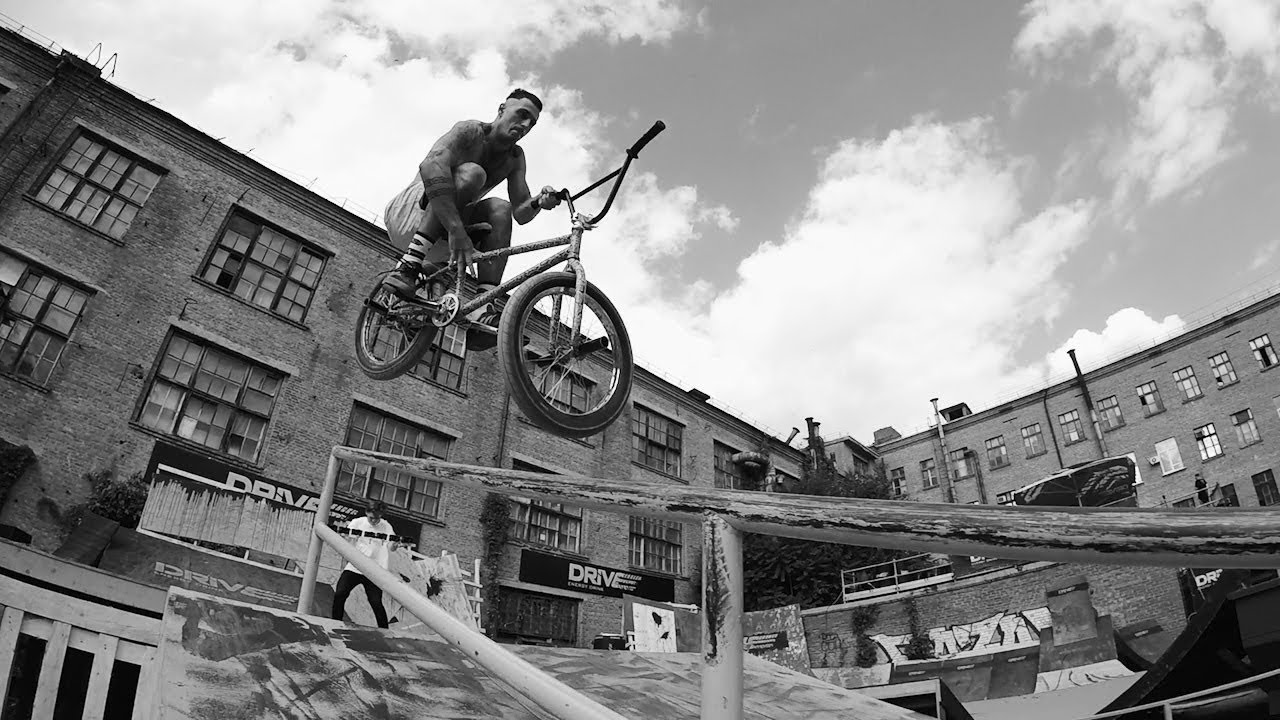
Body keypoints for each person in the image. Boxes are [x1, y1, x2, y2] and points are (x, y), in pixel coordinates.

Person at [382, 88, 562, 351]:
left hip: (447, 231)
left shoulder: (514, 157)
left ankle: (483, 309)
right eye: (521, 115)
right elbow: (430, 166)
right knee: (473, 173)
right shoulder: (470, 131)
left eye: (532, 123)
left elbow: (521, 212)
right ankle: (407, 267)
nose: (525, 125)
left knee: (500, 208)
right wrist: (457, 230)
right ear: (502, 110)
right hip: (409, 215)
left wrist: (539, 202)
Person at [331, 499, 399, 629]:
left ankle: (384, 630)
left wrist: (394, 545)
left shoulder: (386, 526)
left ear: (381, 515)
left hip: (374, 570)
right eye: (371, 518)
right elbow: (347, 539)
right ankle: (335, 622)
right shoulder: (357, 522)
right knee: (340, 593)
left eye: (377, 518)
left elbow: (391, 546)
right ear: (366, 513)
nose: (373, 521)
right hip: (355, 566)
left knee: (376, 601)